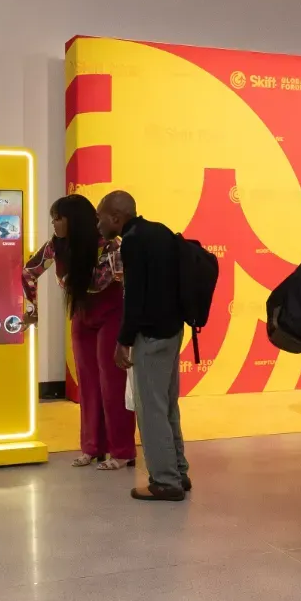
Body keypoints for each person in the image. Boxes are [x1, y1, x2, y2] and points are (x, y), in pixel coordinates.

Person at [24, 194, 134, 470]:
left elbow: (103, 284)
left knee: (112, 383)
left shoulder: (109, 246)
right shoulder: (55, 246)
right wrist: (31, 309)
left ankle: (122, 451)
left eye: (58, 218)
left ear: (74, 220)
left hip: (111, 316)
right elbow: (29, 272)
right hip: (81, 316)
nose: (54, 224)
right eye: (53, 219)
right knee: (87, 384)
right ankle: (92, 448)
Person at [98, 191, 190, 502]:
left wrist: (123, 341)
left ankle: (165, 481)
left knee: (150, 410)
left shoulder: (134, 242)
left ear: (116, 217)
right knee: (167, 405)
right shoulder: (160, 231)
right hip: (172, 331)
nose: (99, 225)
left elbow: (134, 297)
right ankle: (178, 470)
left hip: (150, 336)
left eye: (101, 218)